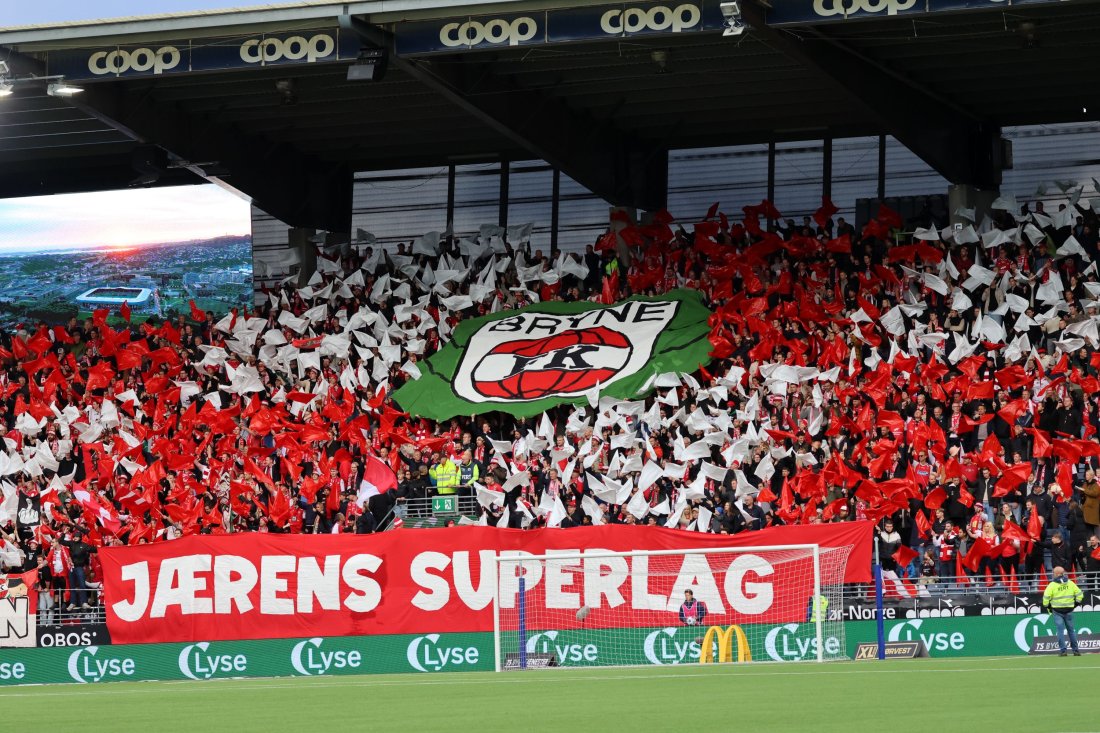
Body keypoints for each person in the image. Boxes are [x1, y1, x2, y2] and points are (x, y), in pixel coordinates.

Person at [1041, 565, 1084, 656]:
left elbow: (1045, 599)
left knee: (1060, 631)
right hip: (1069, 610)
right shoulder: (1070, 583)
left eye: (1053, 573)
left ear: (1056, 574)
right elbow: (1080, 595)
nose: (1053, 575)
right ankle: (1076, 651)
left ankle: (1063, 651)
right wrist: (1075, 604)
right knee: (1071, 631)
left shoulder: (1052, 585)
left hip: (1057, 611)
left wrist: (1048, 607)